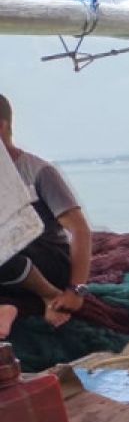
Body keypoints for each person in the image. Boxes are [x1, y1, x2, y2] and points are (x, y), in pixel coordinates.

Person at [0, 94, 92, 340]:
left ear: (1, 126)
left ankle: (49, 295)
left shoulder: (38, 171)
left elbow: (80, 230)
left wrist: (76, 289)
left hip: (48, 262)